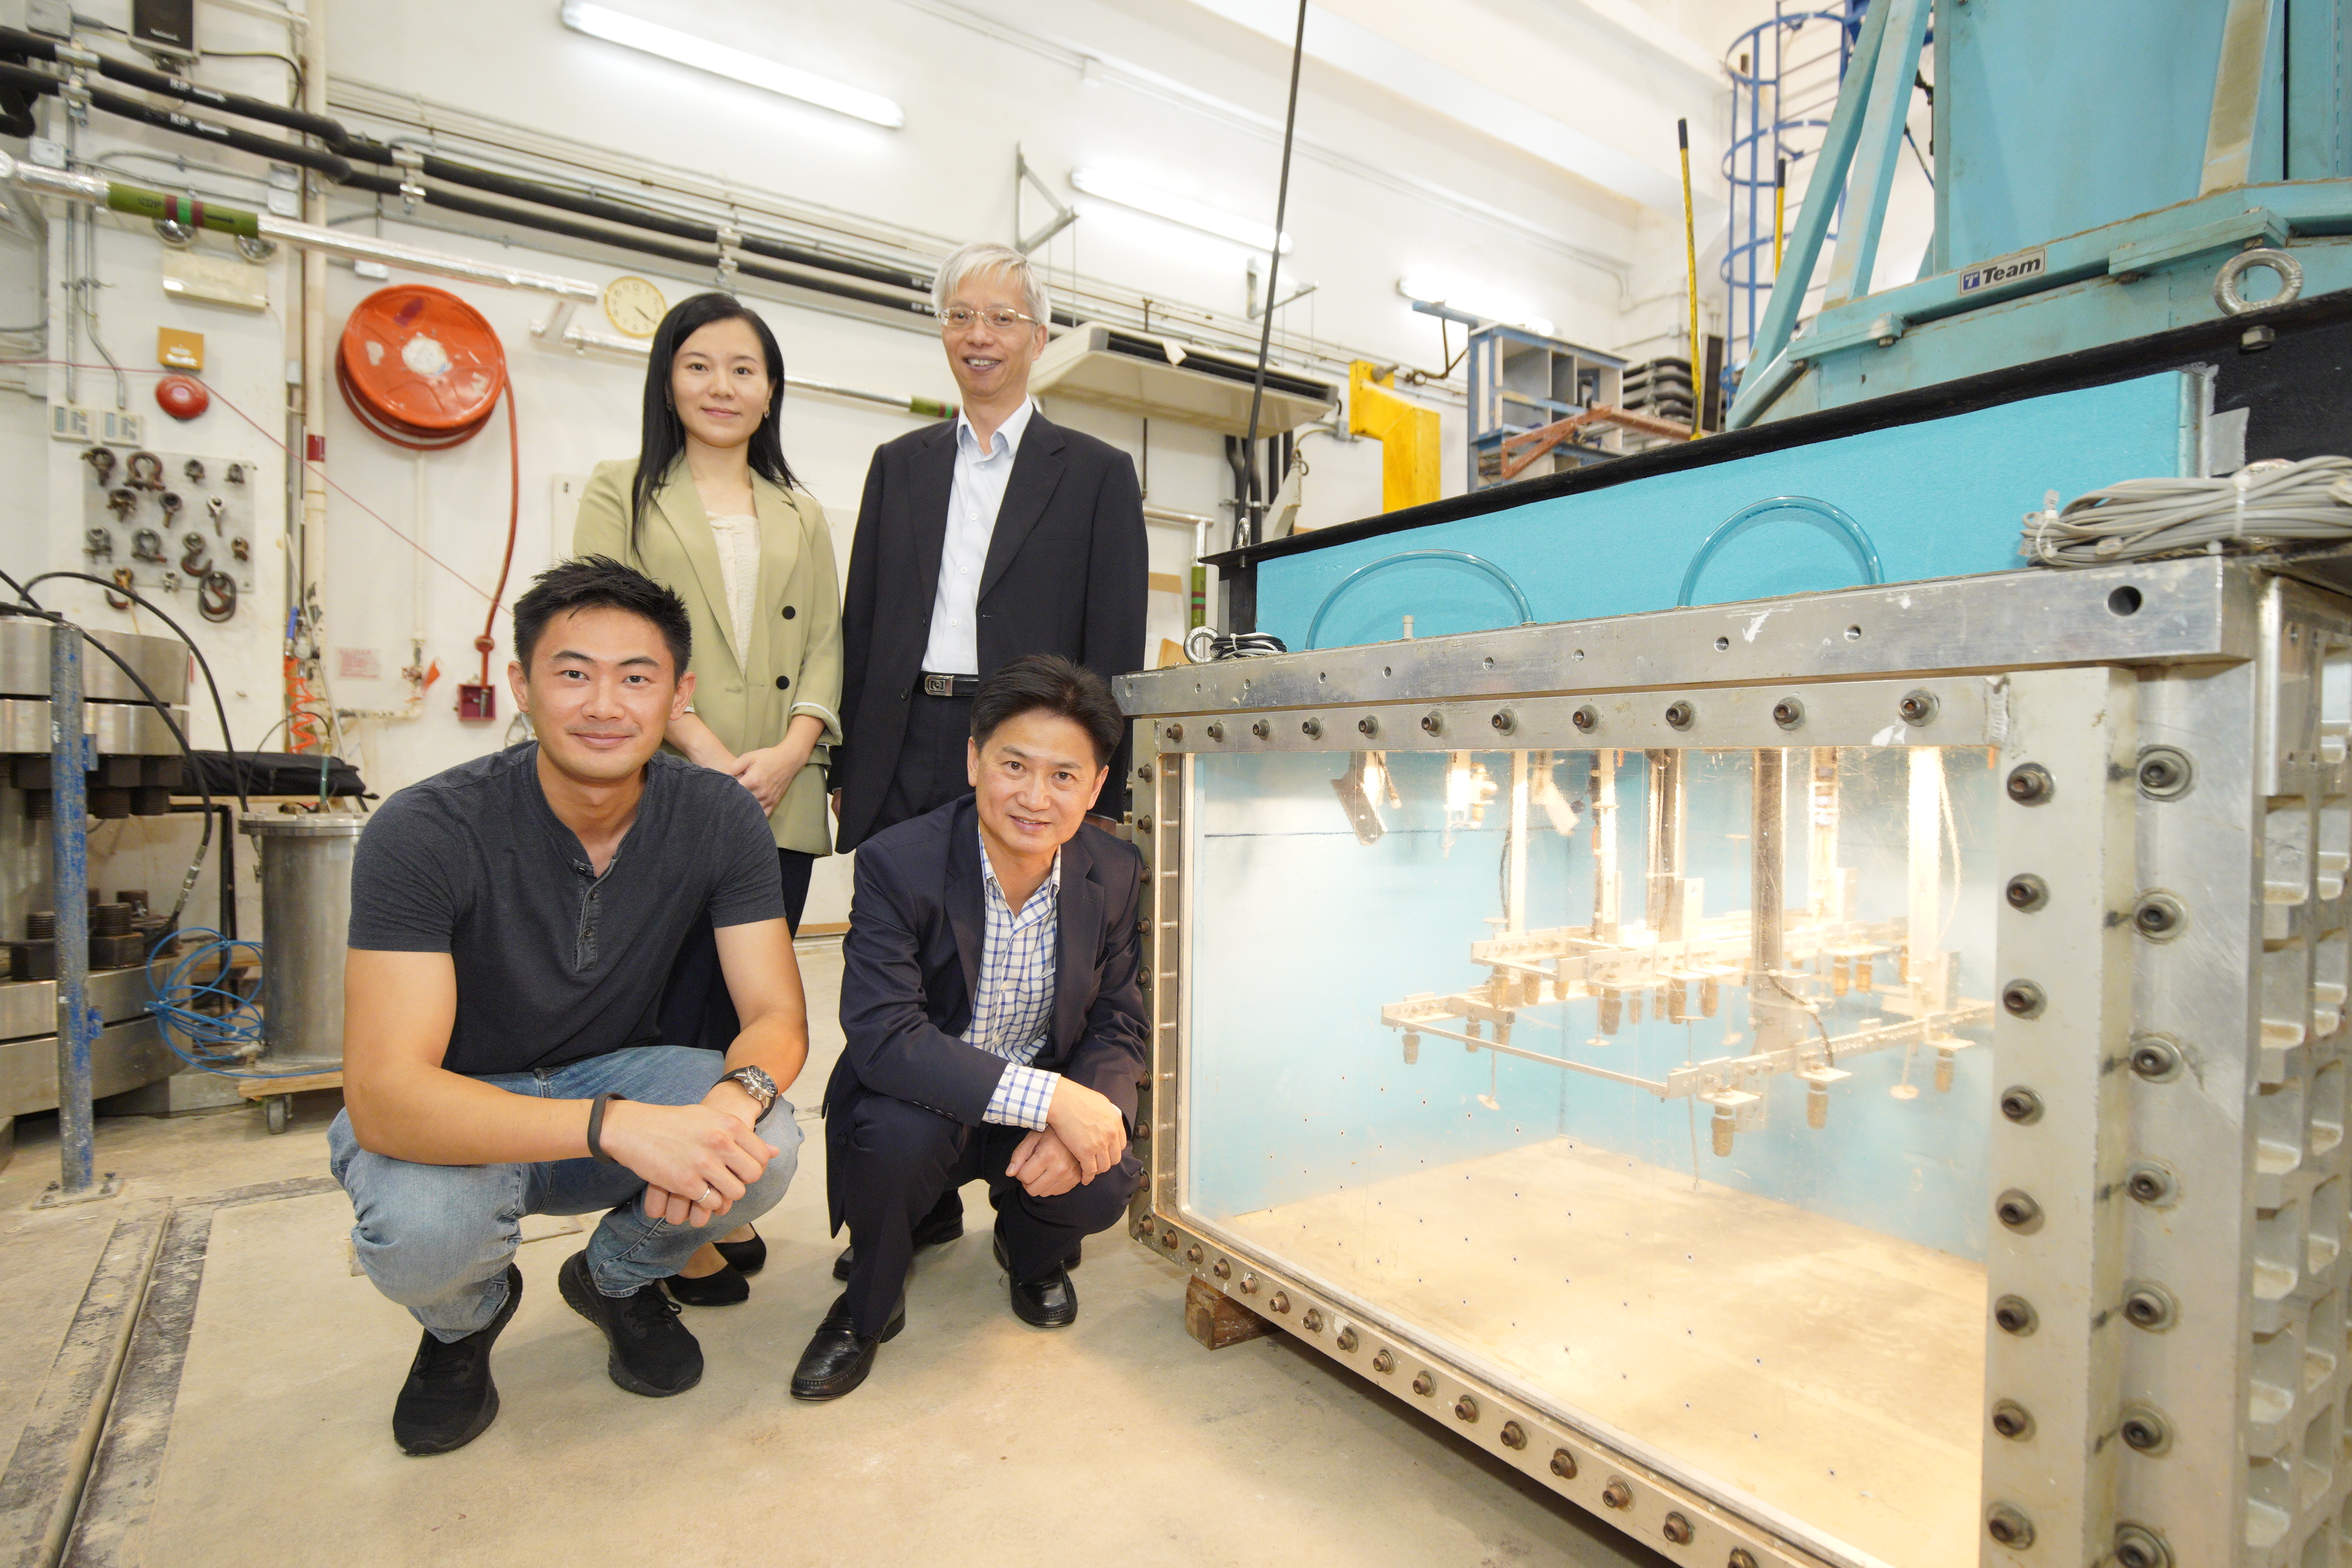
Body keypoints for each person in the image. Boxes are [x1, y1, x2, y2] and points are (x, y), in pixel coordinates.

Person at [332, 557, 808, 1456]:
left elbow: (777, 1016)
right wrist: (618, 1127)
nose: (604, 705)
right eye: (573, 672)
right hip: (463, 1104)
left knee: (766, 1142)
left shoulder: (718, 817)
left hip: (606, 1070)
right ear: (523, 683)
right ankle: (461, 1326)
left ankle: (616, 1279)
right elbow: (387, 1095)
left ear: (678, 695)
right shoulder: (426, 830)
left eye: (636, 678)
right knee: (426, 1236)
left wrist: (724, 1107)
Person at [574, 291, 840, 1306]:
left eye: (744, 368)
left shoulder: (802, 510)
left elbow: (827, 639)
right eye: (700, 365)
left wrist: (793, 742)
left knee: (751, 1003)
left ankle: (718, 1188)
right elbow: (601, 620)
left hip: (782, 785)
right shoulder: (622, 489)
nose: (722, 386)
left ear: (771, 390)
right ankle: (669, 1216)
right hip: (663, 782)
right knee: (669, 1003)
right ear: (667, 379)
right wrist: (699, 740)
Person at [793, 654, 1147, 1402]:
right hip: (926, 1095)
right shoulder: (901, 861)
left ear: (1094, 784)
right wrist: (1049, 1101)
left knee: (1106, 1164)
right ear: (973, 758)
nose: (1034, 796)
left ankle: (1032, 1250)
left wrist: (1089, 1105)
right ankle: (867, 1306)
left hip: (1032, 1092)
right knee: (891, 1139)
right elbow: (886, 1035)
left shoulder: (1114, 870)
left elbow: (1119, 1016)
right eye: (1013, 764)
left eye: (1062, 775)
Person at [832, 240, 1147, 856]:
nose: (980, 335)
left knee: (1005, 936)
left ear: (1038, 338)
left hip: (1025, 746)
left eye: (1003, 318)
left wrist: (1102, 794)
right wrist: (849, 766)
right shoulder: (898, 465)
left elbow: (1114, 646)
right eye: (960, 316)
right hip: (900, 739)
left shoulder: (1097, 473)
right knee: (890, 932)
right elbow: (862, 623)